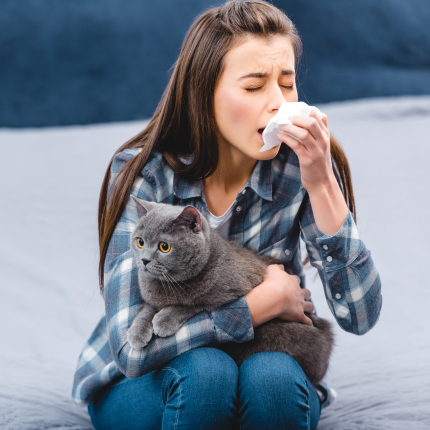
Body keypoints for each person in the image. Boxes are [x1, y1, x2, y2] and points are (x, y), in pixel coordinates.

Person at [72, 1, 382, 429]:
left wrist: (323, 183)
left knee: (273, 382)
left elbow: (360, 316)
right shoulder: (142, 175)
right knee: (207, 375)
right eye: (254, 87)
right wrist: (255, 307)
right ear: (204, 93)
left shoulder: (300, 169)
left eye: (288, 84)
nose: (278, 103)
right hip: (150, 377)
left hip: (259, 361)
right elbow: (133, 351)